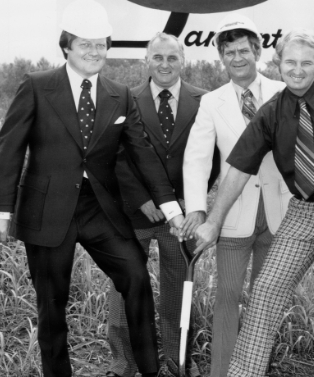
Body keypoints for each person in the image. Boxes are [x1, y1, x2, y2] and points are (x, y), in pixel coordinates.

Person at [0, 0, 185, 377]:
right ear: (66, 47)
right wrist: (0, 210)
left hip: (100, 210)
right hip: (47, 210)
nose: (95, 52)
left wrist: (172, 209)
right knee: (52, 304)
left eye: (101, 44)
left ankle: (149, 370)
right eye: (85, 44)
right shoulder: (38, 86)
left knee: (136, 278)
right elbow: (9, 148)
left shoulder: (119, 94)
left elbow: (143, 155)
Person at [192, 29, 314, 377]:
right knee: (266, 292)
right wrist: (213, 221)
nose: (297, 69)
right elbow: (238, 169)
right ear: (278, 63)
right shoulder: (271, 112)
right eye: (290, 62)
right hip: (301, 211)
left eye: (306, 63)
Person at [180, 15, 291, 377]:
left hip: (280, 214)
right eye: (229, 52)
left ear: (257, 52)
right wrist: (197, 209)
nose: (237, 58)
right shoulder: (212, 103)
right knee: (227, 297)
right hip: (232, 216)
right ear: (221, 58)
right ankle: (222, 372)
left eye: (244, 50)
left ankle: (255, 370)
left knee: (266, 301)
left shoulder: (283, 92)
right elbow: (196, 159)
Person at [105, 32, 220, 377]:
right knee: (125, 291)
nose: (165, 65)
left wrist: (187, 202)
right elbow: (116, 155)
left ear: (183, 61)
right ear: (146, 61)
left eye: (172, 58)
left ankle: (176, 362)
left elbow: (211, 157)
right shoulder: (125, 99)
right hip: (132, 211)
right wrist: (143, 200)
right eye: (158, 57)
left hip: (182, 217)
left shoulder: (205, 101)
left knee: (177, 290)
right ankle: (123, 364)